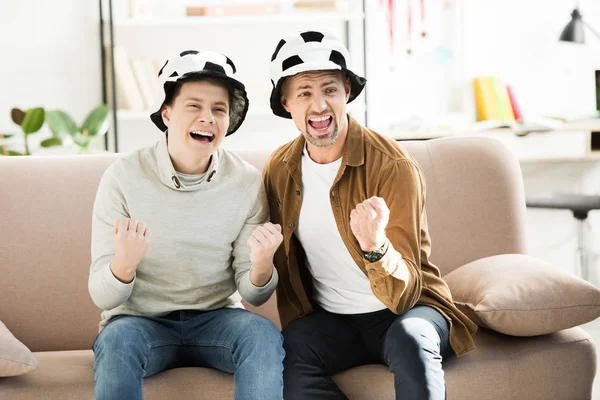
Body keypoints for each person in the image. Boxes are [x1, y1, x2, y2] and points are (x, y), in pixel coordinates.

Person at [263, 30, 478, 400]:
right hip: (333, 320)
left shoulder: (393, 166)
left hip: (407, 311)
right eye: (304, 93)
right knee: (288, 350)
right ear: (286, 103)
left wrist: (375, 247)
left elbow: (405, 293)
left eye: (330, 89)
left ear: (347, 91)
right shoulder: (280, 169)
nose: (319, 106)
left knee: (411, 339)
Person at [89, 50, 284, 400]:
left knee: (263, 336)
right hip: (138, 322)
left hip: (218, 320)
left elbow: (255, 295)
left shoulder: (246, 181)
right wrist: (124, 265)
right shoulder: (123, 176)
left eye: (219, 109)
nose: (207, 118)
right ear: (167, 114)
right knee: (117, 342)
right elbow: (101, 294)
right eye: (193, 106)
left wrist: (262, 264)